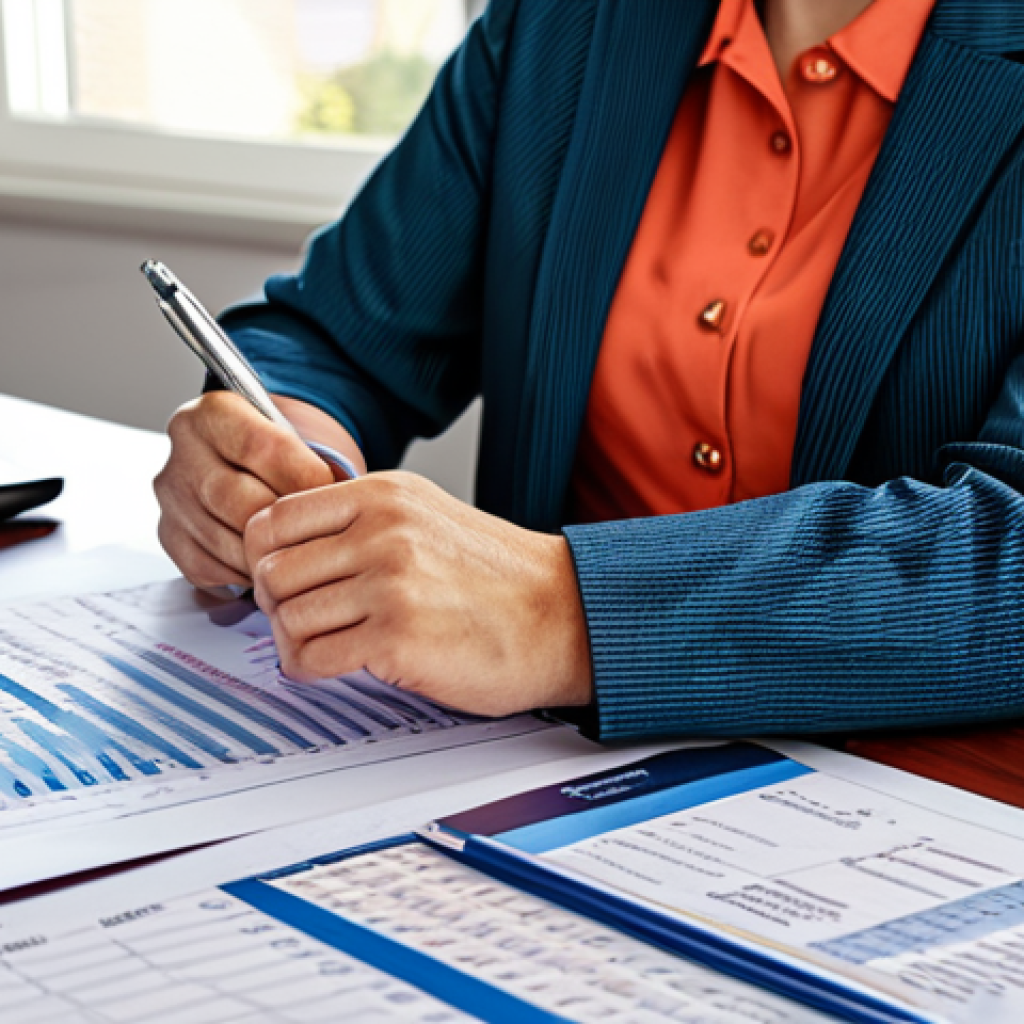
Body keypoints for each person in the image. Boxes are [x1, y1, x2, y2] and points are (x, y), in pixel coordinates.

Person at [154, 0, 1024, 741]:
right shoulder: (560, 22)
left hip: (896, 791)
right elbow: (338, 335)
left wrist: (558, 611)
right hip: (525, 769)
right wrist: (270, 457)